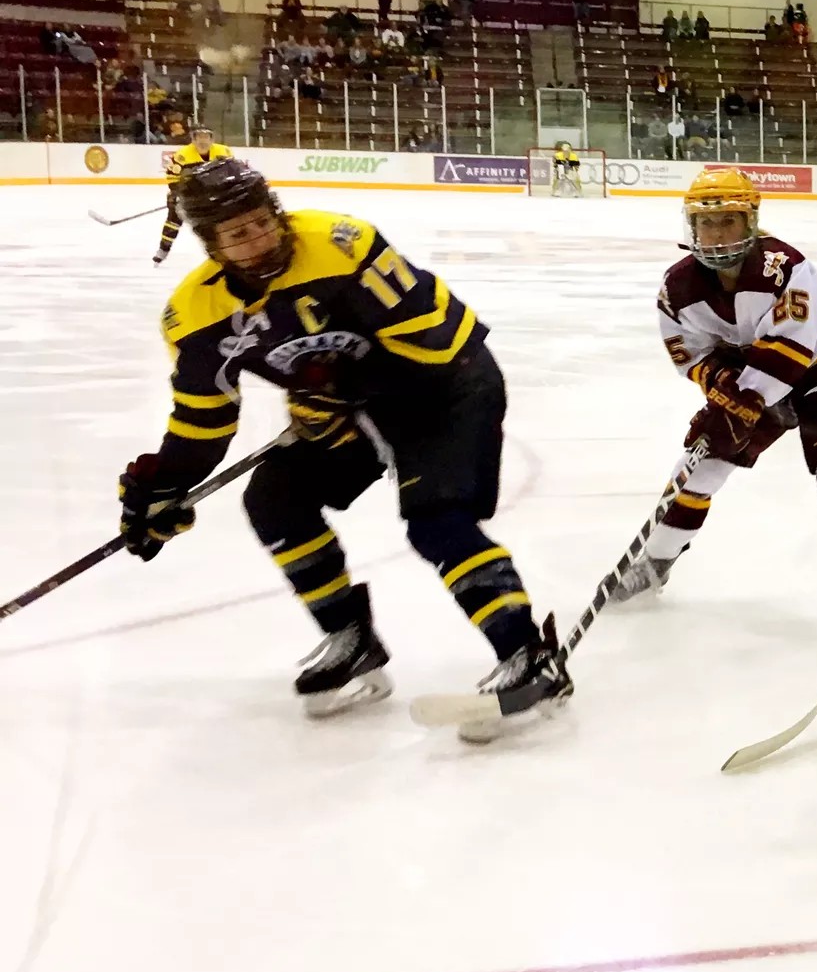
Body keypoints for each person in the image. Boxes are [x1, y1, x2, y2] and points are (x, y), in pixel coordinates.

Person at [119, 160, 566, 737]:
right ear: (212, 245)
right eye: (237, 234)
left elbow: (429, 338)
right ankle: (350, 638)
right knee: (275, 499)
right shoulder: (196, 316)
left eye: (262, 223)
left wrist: (336, 388)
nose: (257, 240)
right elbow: (204, 418)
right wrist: (163, 486)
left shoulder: (341, 245)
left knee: (436, 520)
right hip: (349, 406)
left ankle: (529, 655)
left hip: (447, 384)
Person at [607, 170, 817, 603]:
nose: (716, 234)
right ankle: (655, 565)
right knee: (697, 469)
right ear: (691, 227)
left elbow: (791, 349)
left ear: (750, 221)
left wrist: (738, 401)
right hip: (754, 374)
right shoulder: (677, 288)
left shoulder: (785, 266)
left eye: (728, 220)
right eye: (706, 223)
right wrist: (721, 386)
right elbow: (692, 355)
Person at [152, 123, 234, 264]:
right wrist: (176, 193)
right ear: (193, 139)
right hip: (188, 194)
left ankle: (220, 251)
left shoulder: (224, 152)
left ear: (211, 139)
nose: (203, 141)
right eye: (199, 137)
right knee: (174, 220)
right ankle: (163, 249)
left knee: (218, 223)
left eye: (206, 137)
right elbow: (172, 175)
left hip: (213, 195)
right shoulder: (182, 155)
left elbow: (232, 172)